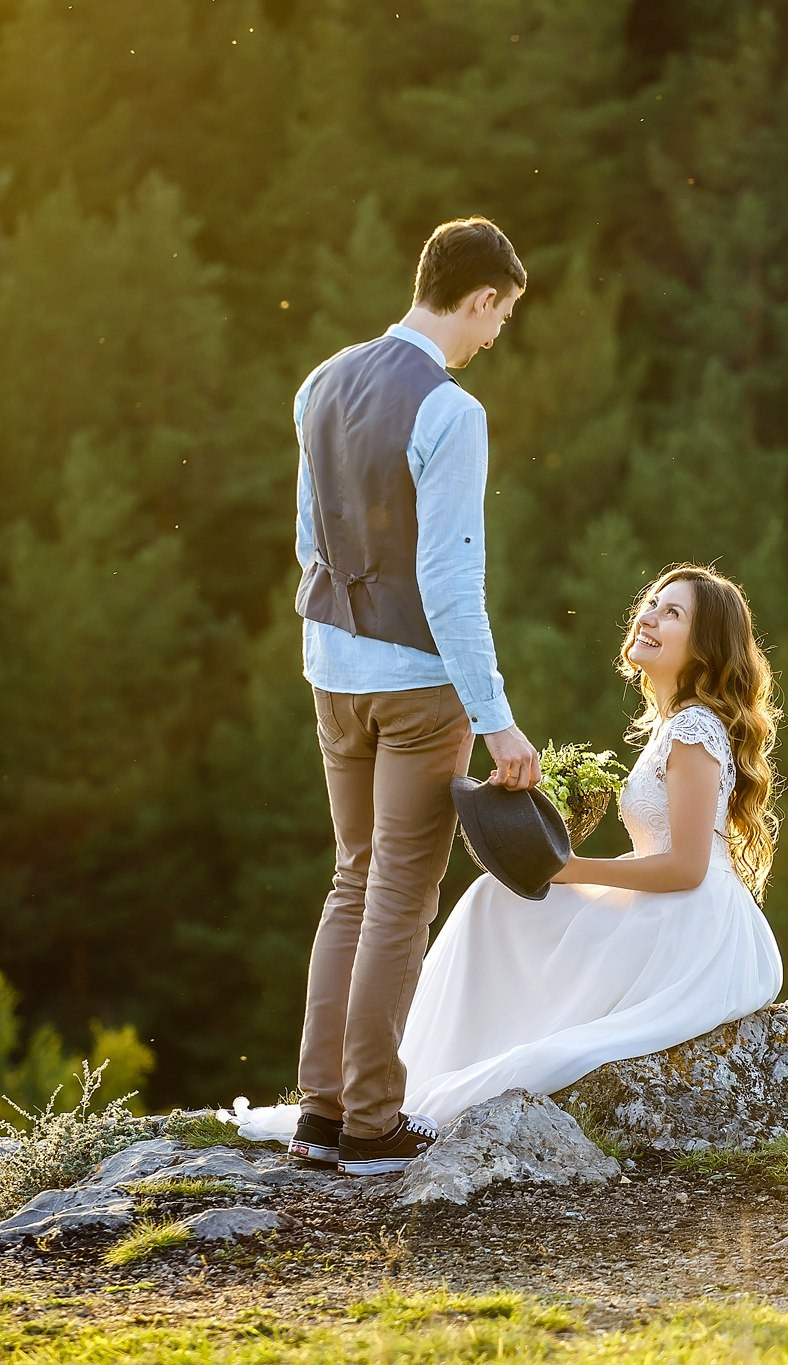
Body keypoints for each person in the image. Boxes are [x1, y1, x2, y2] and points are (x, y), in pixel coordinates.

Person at [238, 563, 784, 1172]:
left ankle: (401, 1088)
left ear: (705, 648)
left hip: (691, 929)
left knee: (500, 908)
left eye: (672, 613)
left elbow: (686, 867)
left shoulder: (692, 728)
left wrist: (568, 869)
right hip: (666, 908)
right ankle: (397, 1085)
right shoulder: (673, 725)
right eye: (652, 602)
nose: (649, 616)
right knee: (494, 903)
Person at [286, 217, 540, 1178]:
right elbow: (450, 582)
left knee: (353, 879)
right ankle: (371, 1124)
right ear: (479, 297)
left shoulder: (321, 382)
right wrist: (497, 717)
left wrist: (333, 647)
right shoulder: (451, 411)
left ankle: (319, 1110)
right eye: (501, 317)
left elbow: (313, 543)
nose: (493, 338)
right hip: (418, 686)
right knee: (399, 891)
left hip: (332, 671)